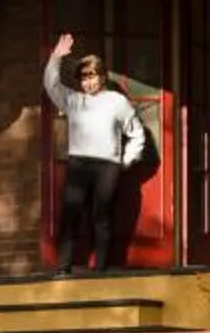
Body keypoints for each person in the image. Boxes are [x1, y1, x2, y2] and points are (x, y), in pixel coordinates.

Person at [43, 31, 145, 275]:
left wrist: (125, 161)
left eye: (93, 76)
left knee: (102, 217)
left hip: (107, 166)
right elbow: (51, 85)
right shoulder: (74, 100)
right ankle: (63, 266)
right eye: (84, 78)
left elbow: (137, 134)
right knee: (71, 215)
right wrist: (56, 57)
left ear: (102, 76)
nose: (88, 82)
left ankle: (101, 267)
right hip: (78, 164)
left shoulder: (117, 102)